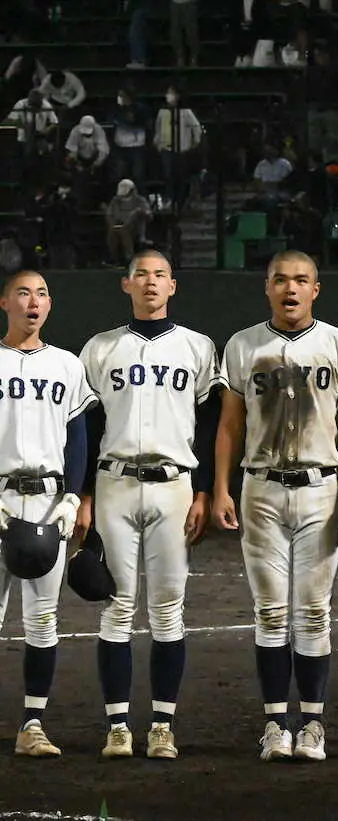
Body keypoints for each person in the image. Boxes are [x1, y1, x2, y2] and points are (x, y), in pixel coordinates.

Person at [213, 250, 338, 762]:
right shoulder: (242, 345)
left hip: (320, 485)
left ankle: (313, 725)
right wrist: (219, 488)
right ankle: (276, 723)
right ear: (267, 287)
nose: (291, 288)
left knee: (314, 612)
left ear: (315, 289)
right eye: (281, 280)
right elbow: (230, 425)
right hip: (259, 487)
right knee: (270, 612)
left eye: (301, 280)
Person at [77, 249, 223, 760]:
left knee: (168, 612)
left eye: (160, 275)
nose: (151, 283)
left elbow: (210, 424)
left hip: (175, 486)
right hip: (113, 481)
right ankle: (118, 725)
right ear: (126, 285)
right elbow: (86, 427)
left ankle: (162, 724)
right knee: (116, 609)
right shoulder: (99, 348)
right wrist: (84, 496)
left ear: (173, 286)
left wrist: (204, 489)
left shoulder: (198, 347)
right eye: (142, 275)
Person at [0, 270, 97, 757]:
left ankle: (32, 724)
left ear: (50, 305)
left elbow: (77, 438)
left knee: (43, 620)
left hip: (46, 501)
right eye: (23, 293)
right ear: (5, 302)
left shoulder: (67, 365)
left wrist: (73, 497)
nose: (32, 302)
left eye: (40, 294)